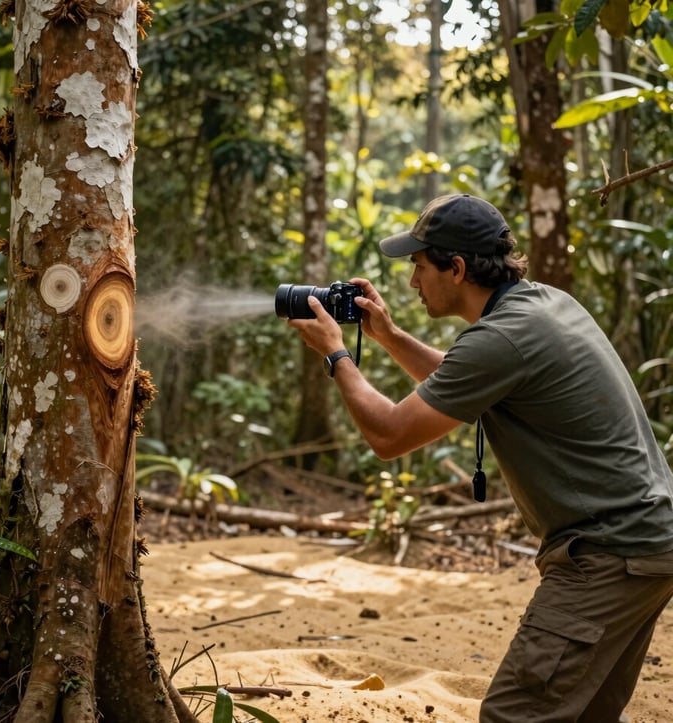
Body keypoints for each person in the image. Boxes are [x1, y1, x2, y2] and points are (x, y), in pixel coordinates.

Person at [286, 193, 673, 723]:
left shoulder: (504, 337)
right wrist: (390, 336)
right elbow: (465, 375)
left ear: (458, 268)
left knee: (512, 715)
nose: (413, 282)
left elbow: (388, 435)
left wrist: (337, 354)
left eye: (420, 267)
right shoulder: (542, 304)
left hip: (607, 555)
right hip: (648, 543)